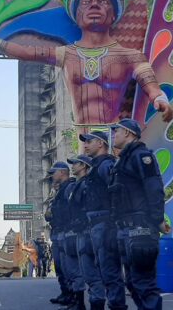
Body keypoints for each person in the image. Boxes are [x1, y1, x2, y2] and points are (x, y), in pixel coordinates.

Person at [0, 0, 173, 128]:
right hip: (85, 145)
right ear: (77, 16)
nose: (94, 6)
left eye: (102, 2)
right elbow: (25, 52)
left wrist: (161, 100)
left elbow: (151, 86)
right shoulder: (67, 54)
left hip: (116, 140)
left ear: (113, 15)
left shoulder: (131, 57)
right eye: (86, 2)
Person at [110, 118, 169, 310]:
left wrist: (158, 219)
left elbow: (154, 189)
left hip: (141, 227)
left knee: (144, 284)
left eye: (116, 131)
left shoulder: (142, 156)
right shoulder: (122, 161)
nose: (113, 135)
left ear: (127, 133)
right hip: (125, 229)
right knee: (133, 283)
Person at [80, 131, 126, 310]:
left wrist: (114, 222)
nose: (85, 145)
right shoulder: (96, 167)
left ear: (100, 143)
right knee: (101, 273)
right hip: (96, 226)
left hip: (106, 225)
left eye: (89, 141)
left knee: (110, 274)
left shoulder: (106, 165)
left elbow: (118, 192)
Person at [68, 154, 106, 310]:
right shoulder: (78, 185)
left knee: (94, 275)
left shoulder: (87, 185)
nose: (72, 166)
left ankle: (97, 305)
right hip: (81, 231)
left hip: (90, 231)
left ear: (83, 166)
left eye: (75, 163)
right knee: (87, 274)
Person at [46, 162, 82, 308]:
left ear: (62, 172)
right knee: (60, 267)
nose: (52, 176)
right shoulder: (59, 191)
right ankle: (66, 294)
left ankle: (75, 298)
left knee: (70, 268)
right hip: (58, 232)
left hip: (68, 233)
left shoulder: (70, 188)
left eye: (54, 172)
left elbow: (73, 211)